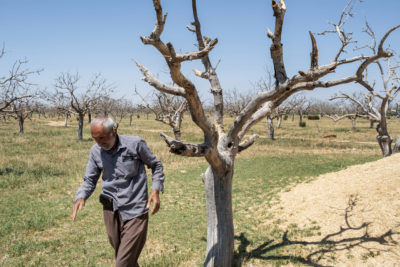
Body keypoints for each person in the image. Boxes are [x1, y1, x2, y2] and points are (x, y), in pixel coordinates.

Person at [71, 116, 165, 267]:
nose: (100, 143)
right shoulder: (96, 152)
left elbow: (156, 165)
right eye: (95, 139)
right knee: (125, 258)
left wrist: (155, 190)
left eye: (102, 138)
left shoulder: (135, 144)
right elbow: (90, 179)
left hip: (135, 210)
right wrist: (81, 196)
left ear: (114, 131)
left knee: (122, 263)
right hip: (111, 210)